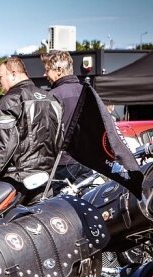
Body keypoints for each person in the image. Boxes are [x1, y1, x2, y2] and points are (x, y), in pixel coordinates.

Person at [0, 56, 63, 198]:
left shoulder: (10, 100)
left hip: (16, 181)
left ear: (13, 74)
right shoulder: (52, 100)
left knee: (3, 220)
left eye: (0, 76)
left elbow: (4, 143)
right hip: (47, 181)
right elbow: (61, 140)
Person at [41, 50, 94, 186]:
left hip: (62, 165)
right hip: (88, 162)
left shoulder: (53, 96)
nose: (44, 74)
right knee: (85, 204)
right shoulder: (88, 92)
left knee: (60, 205)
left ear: (59, 70)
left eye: (47, 70)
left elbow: (46, 135)